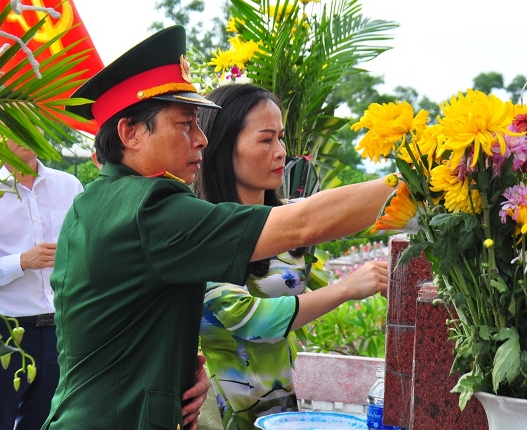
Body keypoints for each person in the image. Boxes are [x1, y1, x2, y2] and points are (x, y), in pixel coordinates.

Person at [42, 25, 396, 430]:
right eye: (185, 124)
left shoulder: (95, 202)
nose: (202, 140)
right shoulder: (152, 207)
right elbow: (303, 225)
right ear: (131, 132)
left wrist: (173, 366)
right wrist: (419, 185)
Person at [192, 83, 388, 428]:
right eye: (266, 140)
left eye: (281, 138)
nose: (281, 151)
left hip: (281, 408)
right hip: (223, 412)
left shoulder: (287, 222)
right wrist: (345, 289)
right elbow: (251, 321)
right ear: (222, 147)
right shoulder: (201, 229)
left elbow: (351, 208)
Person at [0, 136, 83, 430]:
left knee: (50, 424)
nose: (27, 132)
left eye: (33, 123)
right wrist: (21, 261)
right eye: (14, 126)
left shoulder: (69, 186)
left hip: (61, 329)